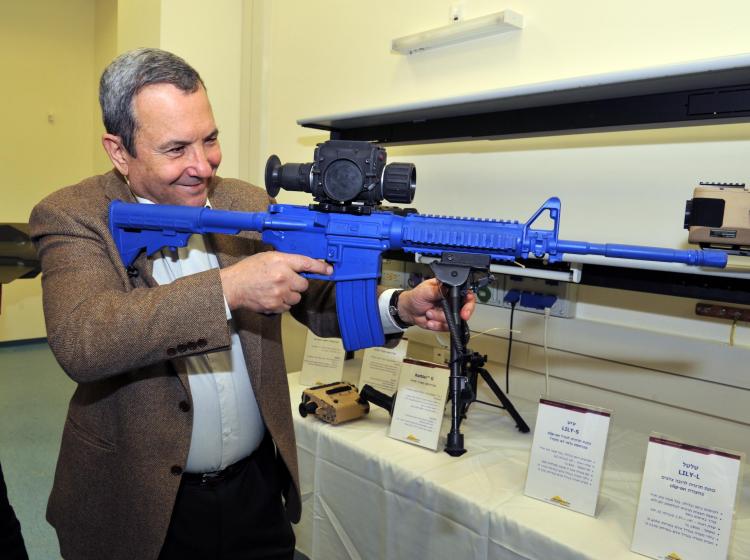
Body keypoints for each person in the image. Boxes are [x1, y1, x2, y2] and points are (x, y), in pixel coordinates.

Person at [30, 48, 475, 560]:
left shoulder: (247, 203)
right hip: (138, 502)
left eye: (210, 139)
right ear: (119, 150)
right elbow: (84, 340)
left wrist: (400, 307)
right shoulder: (72, 215)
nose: (202, 165)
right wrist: (228, 289)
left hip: (256, 489)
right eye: (176, 149)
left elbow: (319, 300)